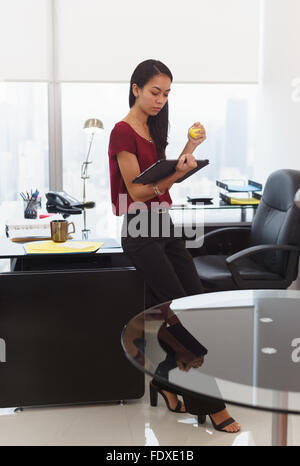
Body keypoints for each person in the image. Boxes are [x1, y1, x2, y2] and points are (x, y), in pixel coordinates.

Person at [108, 59, 240, 433]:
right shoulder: (122, 132)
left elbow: (163, 180)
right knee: (180, 314)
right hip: (140, 230)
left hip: (164, 225)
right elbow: (135, 192)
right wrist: (179, 173)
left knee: (186, 306)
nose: (161, 100)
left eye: (166, 94)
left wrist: (189, 149)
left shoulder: (153, 128)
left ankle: (164, 381)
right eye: (155, 92)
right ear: (135, 88)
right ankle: (211, 403)